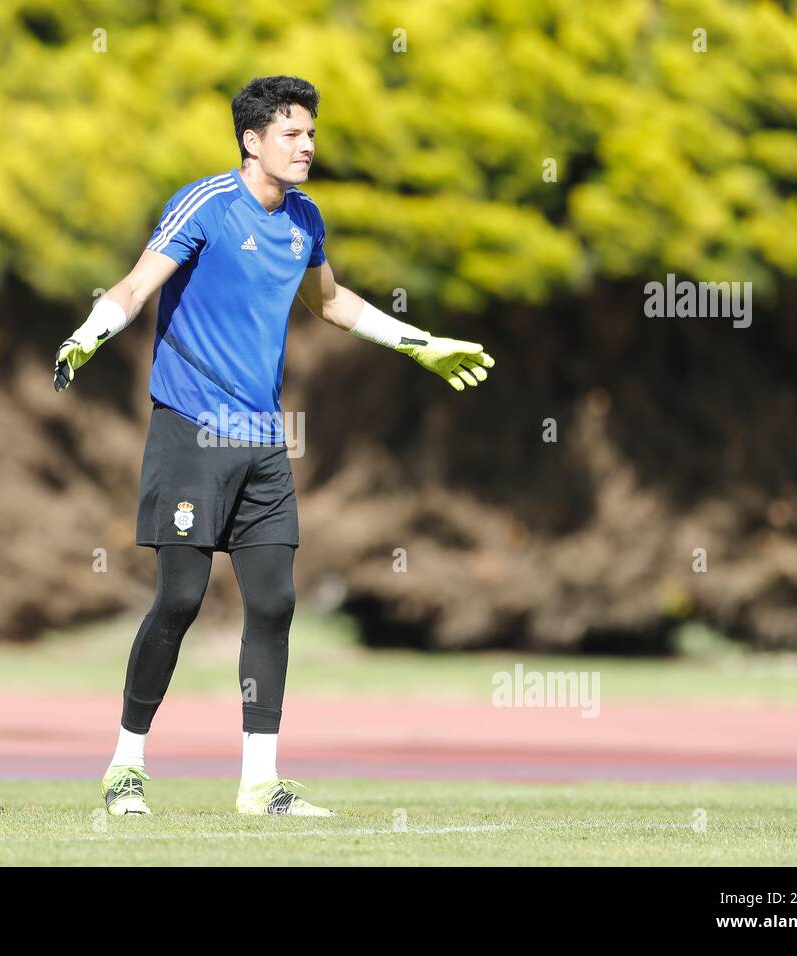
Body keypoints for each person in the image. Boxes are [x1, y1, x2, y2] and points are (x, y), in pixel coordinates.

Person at [54, 75, 494, 816]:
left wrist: (419, 344)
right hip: (189, 434)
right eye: (292, 134)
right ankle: (125, 767)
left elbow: (330, 302)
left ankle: (260, 785)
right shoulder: (205, 205)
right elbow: (135, 286)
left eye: (312, 133)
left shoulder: (304, 219)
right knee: (180, 599)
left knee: (276, 602)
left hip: (262, 443)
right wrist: (90, 333)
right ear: (252, 141)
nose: (308, 146)